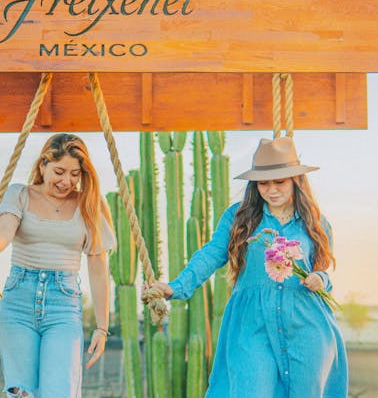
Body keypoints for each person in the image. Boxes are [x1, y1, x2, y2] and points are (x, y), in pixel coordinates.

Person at [144, 137, 348, 397]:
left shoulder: (317, 224)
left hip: (307, 324)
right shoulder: (238, 217)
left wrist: (319, 278)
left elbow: (323, 269)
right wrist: (176, 287)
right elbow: (211, 254)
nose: (271, 190)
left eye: (279, 182)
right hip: (251, 324)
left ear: (296, 180)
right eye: (263, 183)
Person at [0, 133, 115, 398]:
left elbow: (98, 268)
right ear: (43, 165)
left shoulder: (88, 204)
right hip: (18, 303)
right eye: (59, 171)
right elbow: (4, 232)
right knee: (21, 392)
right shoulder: (19, 194)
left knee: (60, 391)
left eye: (75, 174)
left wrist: (102, 327)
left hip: (63, 306)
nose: (66, 181)